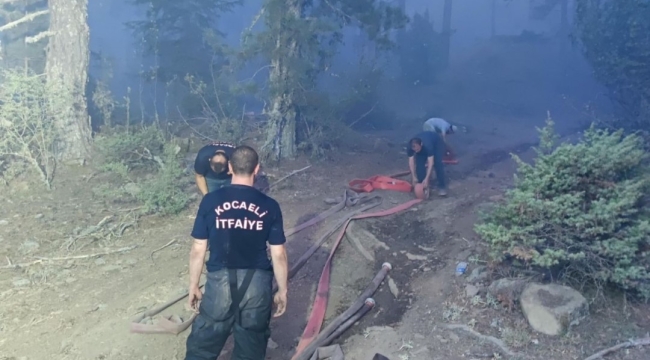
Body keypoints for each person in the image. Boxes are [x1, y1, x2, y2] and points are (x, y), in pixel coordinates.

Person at [185, 145, 289, 360]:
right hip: (257, 285)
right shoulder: (270, 205)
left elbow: (198, 248)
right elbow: (278, 254)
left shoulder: (210, 201)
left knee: (202, 347)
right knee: (251, 347)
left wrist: (193, 285)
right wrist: (282, 290)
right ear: (257, 169)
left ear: (230, 167)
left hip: (219, 284)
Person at [407, 131, 448, 197]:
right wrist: (413, 176)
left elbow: (431, 163)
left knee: (437, 164)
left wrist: (427, 178)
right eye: (414, 150)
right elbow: (411, 162)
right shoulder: (410, 146)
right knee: (419, 166)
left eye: (417, 149)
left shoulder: (428, 146)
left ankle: (442, 186)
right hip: (423, 146)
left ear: (421, 144)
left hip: (436, 143)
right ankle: (422, 185)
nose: (415, 151)